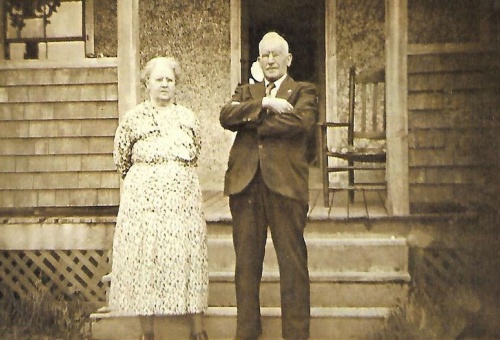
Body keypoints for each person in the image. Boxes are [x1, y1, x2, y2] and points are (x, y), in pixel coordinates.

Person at [220, 32, 318, 340]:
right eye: (265, 55)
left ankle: (297, 335)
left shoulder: (303, 90)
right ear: (259, 61)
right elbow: (226, 116)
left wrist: (251, 120)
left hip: (286, 187)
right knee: (246, 268)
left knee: (293, 266)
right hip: (246, 188)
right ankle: (247, 334)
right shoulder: (248, 90)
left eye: (276, 54)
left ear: (288, 59)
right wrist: (266, 104)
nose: (271, 60)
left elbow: (300, 123)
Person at [110, 56, 209, 340]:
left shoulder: (188, 117)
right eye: (159, 79)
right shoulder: (134, 118)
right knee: (146, 257)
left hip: (182, 202)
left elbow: (195, 152)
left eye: (170, 80)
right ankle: (147, 332)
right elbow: (122, 158)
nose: (165, 84)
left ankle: (197, 329)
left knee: (187, 256)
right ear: (147, 84)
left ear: (176, 84)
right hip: (145, 204)